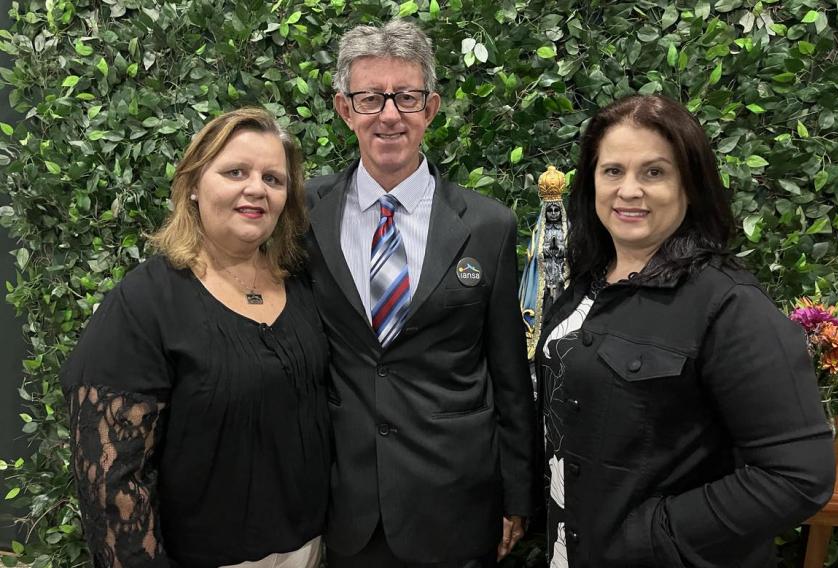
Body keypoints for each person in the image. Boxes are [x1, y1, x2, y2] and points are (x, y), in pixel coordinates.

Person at [536, 94, 836, 567]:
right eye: (612, 171)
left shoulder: (729, 305)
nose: (628, 190)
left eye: (653, 172)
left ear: (689, 186)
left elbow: (798, 476)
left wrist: (650, 537)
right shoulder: (584, 287)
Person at [304, 19, 535, 568]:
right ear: (344, 109)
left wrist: (518, 494)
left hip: (456, 501)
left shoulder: (488, 224)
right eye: (370, 98)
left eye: (405, 97)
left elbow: (507, 370)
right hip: (344, 504)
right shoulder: (302, 212)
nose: (389, 115)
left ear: (430, 109)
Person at [61, 108, 331, 568]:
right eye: (235, 172)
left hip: (310, 549)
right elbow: (112, 481)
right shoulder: (145, 304)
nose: (256, 189)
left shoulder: (303, 286)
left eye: (273, 178)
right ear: (192, 187)